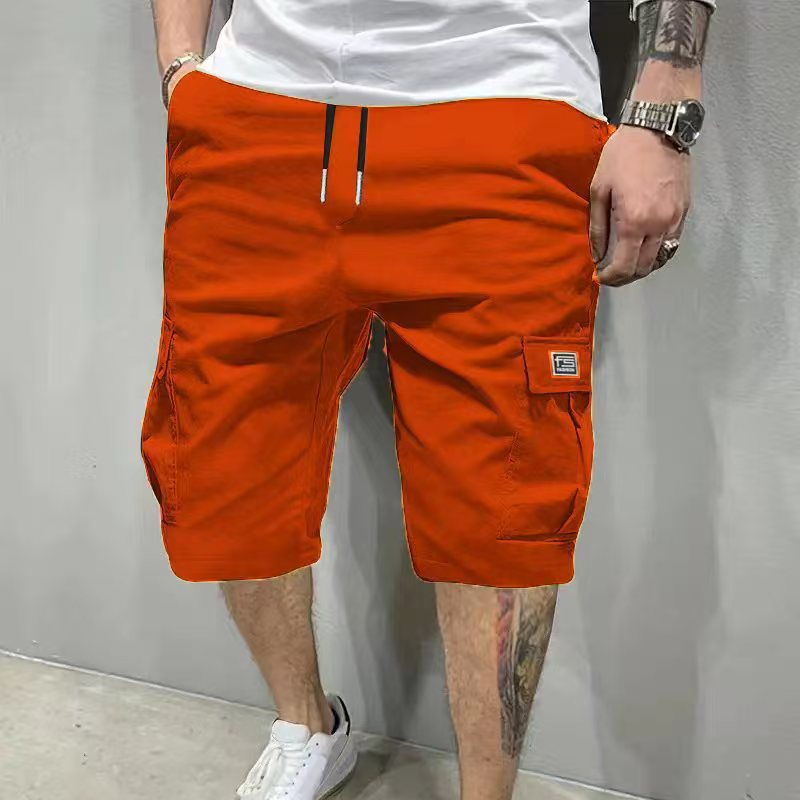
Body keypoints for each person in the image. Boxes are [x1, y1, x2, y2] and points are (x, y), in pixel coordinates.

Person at [142, 1, 716, 797]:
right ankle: (306, 726)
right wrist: (181, 69)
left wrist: (662, 109)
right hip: (256, 111)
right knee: (225, 474)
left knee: (502, 513)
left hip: (503, 105)